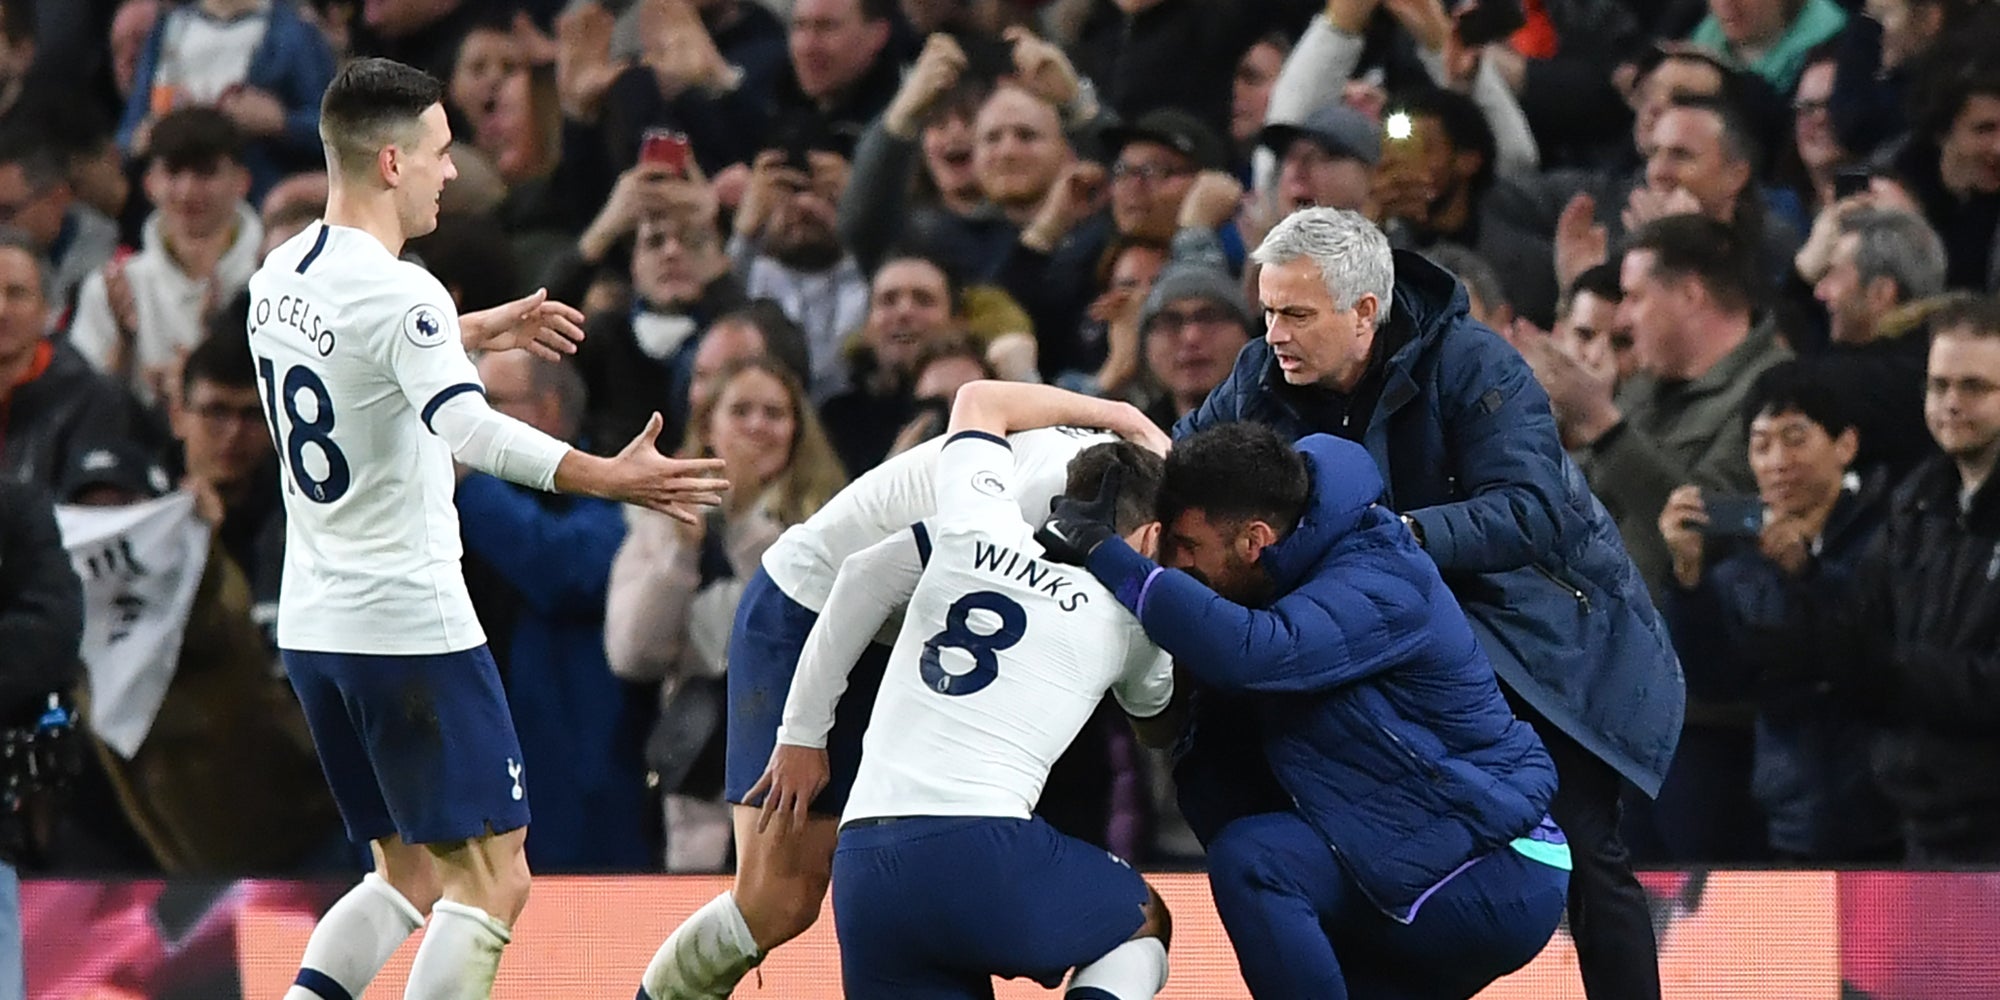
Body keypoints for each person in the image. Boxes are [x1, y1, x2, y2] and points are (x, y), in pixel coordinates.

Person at [255, 58, 728, 1000]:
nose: (452, 172)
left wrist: (468, 330)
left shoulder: (281, 273)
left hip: (317, 627)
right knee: (495, 878)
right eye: (436, 153)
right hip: (409, 624)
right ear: (391, 162)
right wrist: (611, 476)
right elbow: (464, 428)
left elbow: (362, 355)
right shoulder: (406, 295)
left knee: (406, 872)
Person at [1180, 207, 1682, 1000]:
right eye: (1269, 310)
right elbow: (1182, 466)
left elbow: (1531, 510)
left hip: (1535, 634)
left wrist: (1393, 537)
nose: (1274, 333)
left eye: (1297, 314)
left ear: (1364, 314)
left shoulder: (1474, 363)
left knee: (1588, 850)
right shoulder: (1258, 376)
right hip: (1388, 642)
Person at [631, 381, 1167, 1000]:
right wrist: (802, 734)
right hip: (809, 605)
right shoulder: (1049, 497)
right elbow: (868, 575)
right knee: (776, 901)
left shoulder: (1125, 488)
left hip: (909, 626)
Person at [1037, 422, 1568, 997]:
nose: (1179, 567)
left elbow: (1254, 652)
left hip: (1494, 862)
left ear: (1254, 540)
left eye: (1189, 549)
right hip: (1405, 851)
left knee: (1257, 860)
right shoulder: (1269, 569)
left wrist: (1107, 555)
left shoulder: (1379, 575)